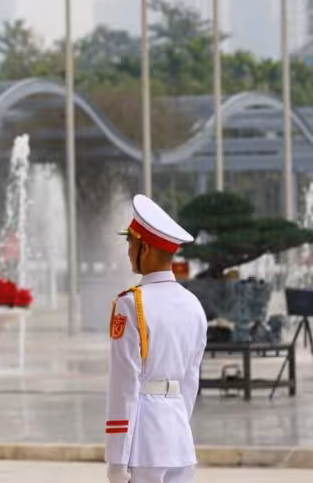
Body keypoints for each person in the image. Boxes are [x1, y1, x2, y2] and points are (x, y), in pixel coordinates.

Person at [105, 194, 207, 483]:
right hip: (179, 439)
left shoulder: (130, 304)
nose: (127, 251)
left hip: (142, 444)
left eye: (131, 243)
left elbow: (124, 384)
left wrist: (117, 457)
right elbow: (190, 380)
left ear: (145, 248)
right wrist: (176, 426)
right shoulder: (193, 305)